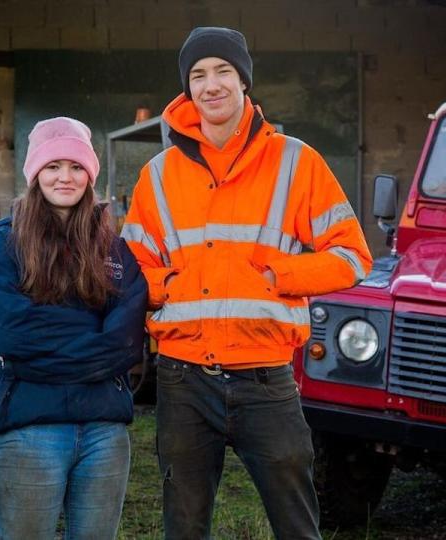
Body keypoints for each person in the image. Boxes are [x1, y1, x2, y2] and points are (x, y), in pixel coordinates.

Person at [120, 27, 373, 539]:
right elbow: (131, 268)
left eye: (222, 72)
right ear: (187, 89)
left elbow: (352, 257)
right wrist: (169, 286)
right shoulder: (158, 175)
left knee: (297, 526)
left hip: (266, 379)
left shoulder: (296, 161)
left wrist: (283, 276)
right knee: (184, 526)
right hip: (183, 380)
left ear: (244, 82)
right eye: (198, 75)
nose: (211, 85)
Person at [0, 117, 147, 540]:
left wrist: (50, 353)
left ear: (90, 176)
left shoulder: (113, 248)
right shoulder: (6, 243)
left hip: (104, 434)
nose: (65, 177)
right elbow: (12, 333)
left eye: (76, 167)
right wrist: (94, 345)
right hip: (31, 430)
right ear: (36, 174)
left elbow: (127, 339)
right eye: (53, 166)